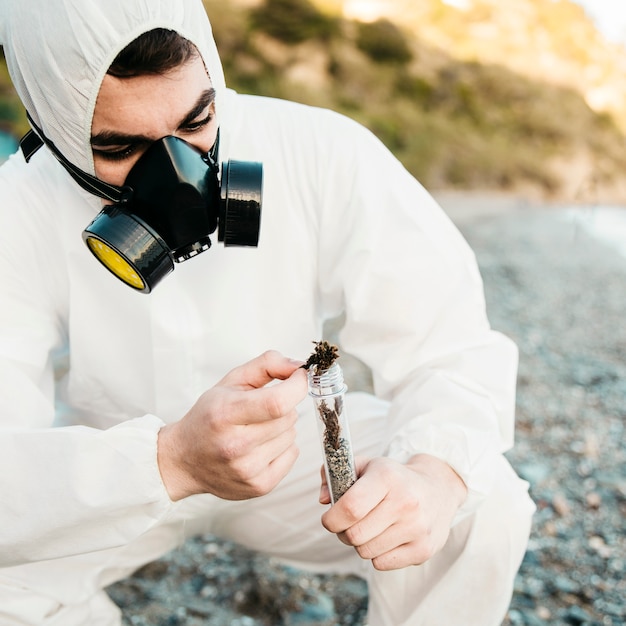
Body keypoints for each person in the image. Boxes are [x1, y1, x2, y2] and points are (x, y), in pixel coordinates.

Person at [0, 1, 535, 624]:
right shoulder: (19, 208)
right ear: (55, 133)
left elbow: (451, 346)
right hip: (119, 466)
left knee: (481, 498)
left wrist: (434, 478)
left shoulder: (320, 152)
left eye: (197, 119)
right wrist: (168, 458)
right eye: (120, 147)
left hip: (296, 459)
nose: (176, 174)